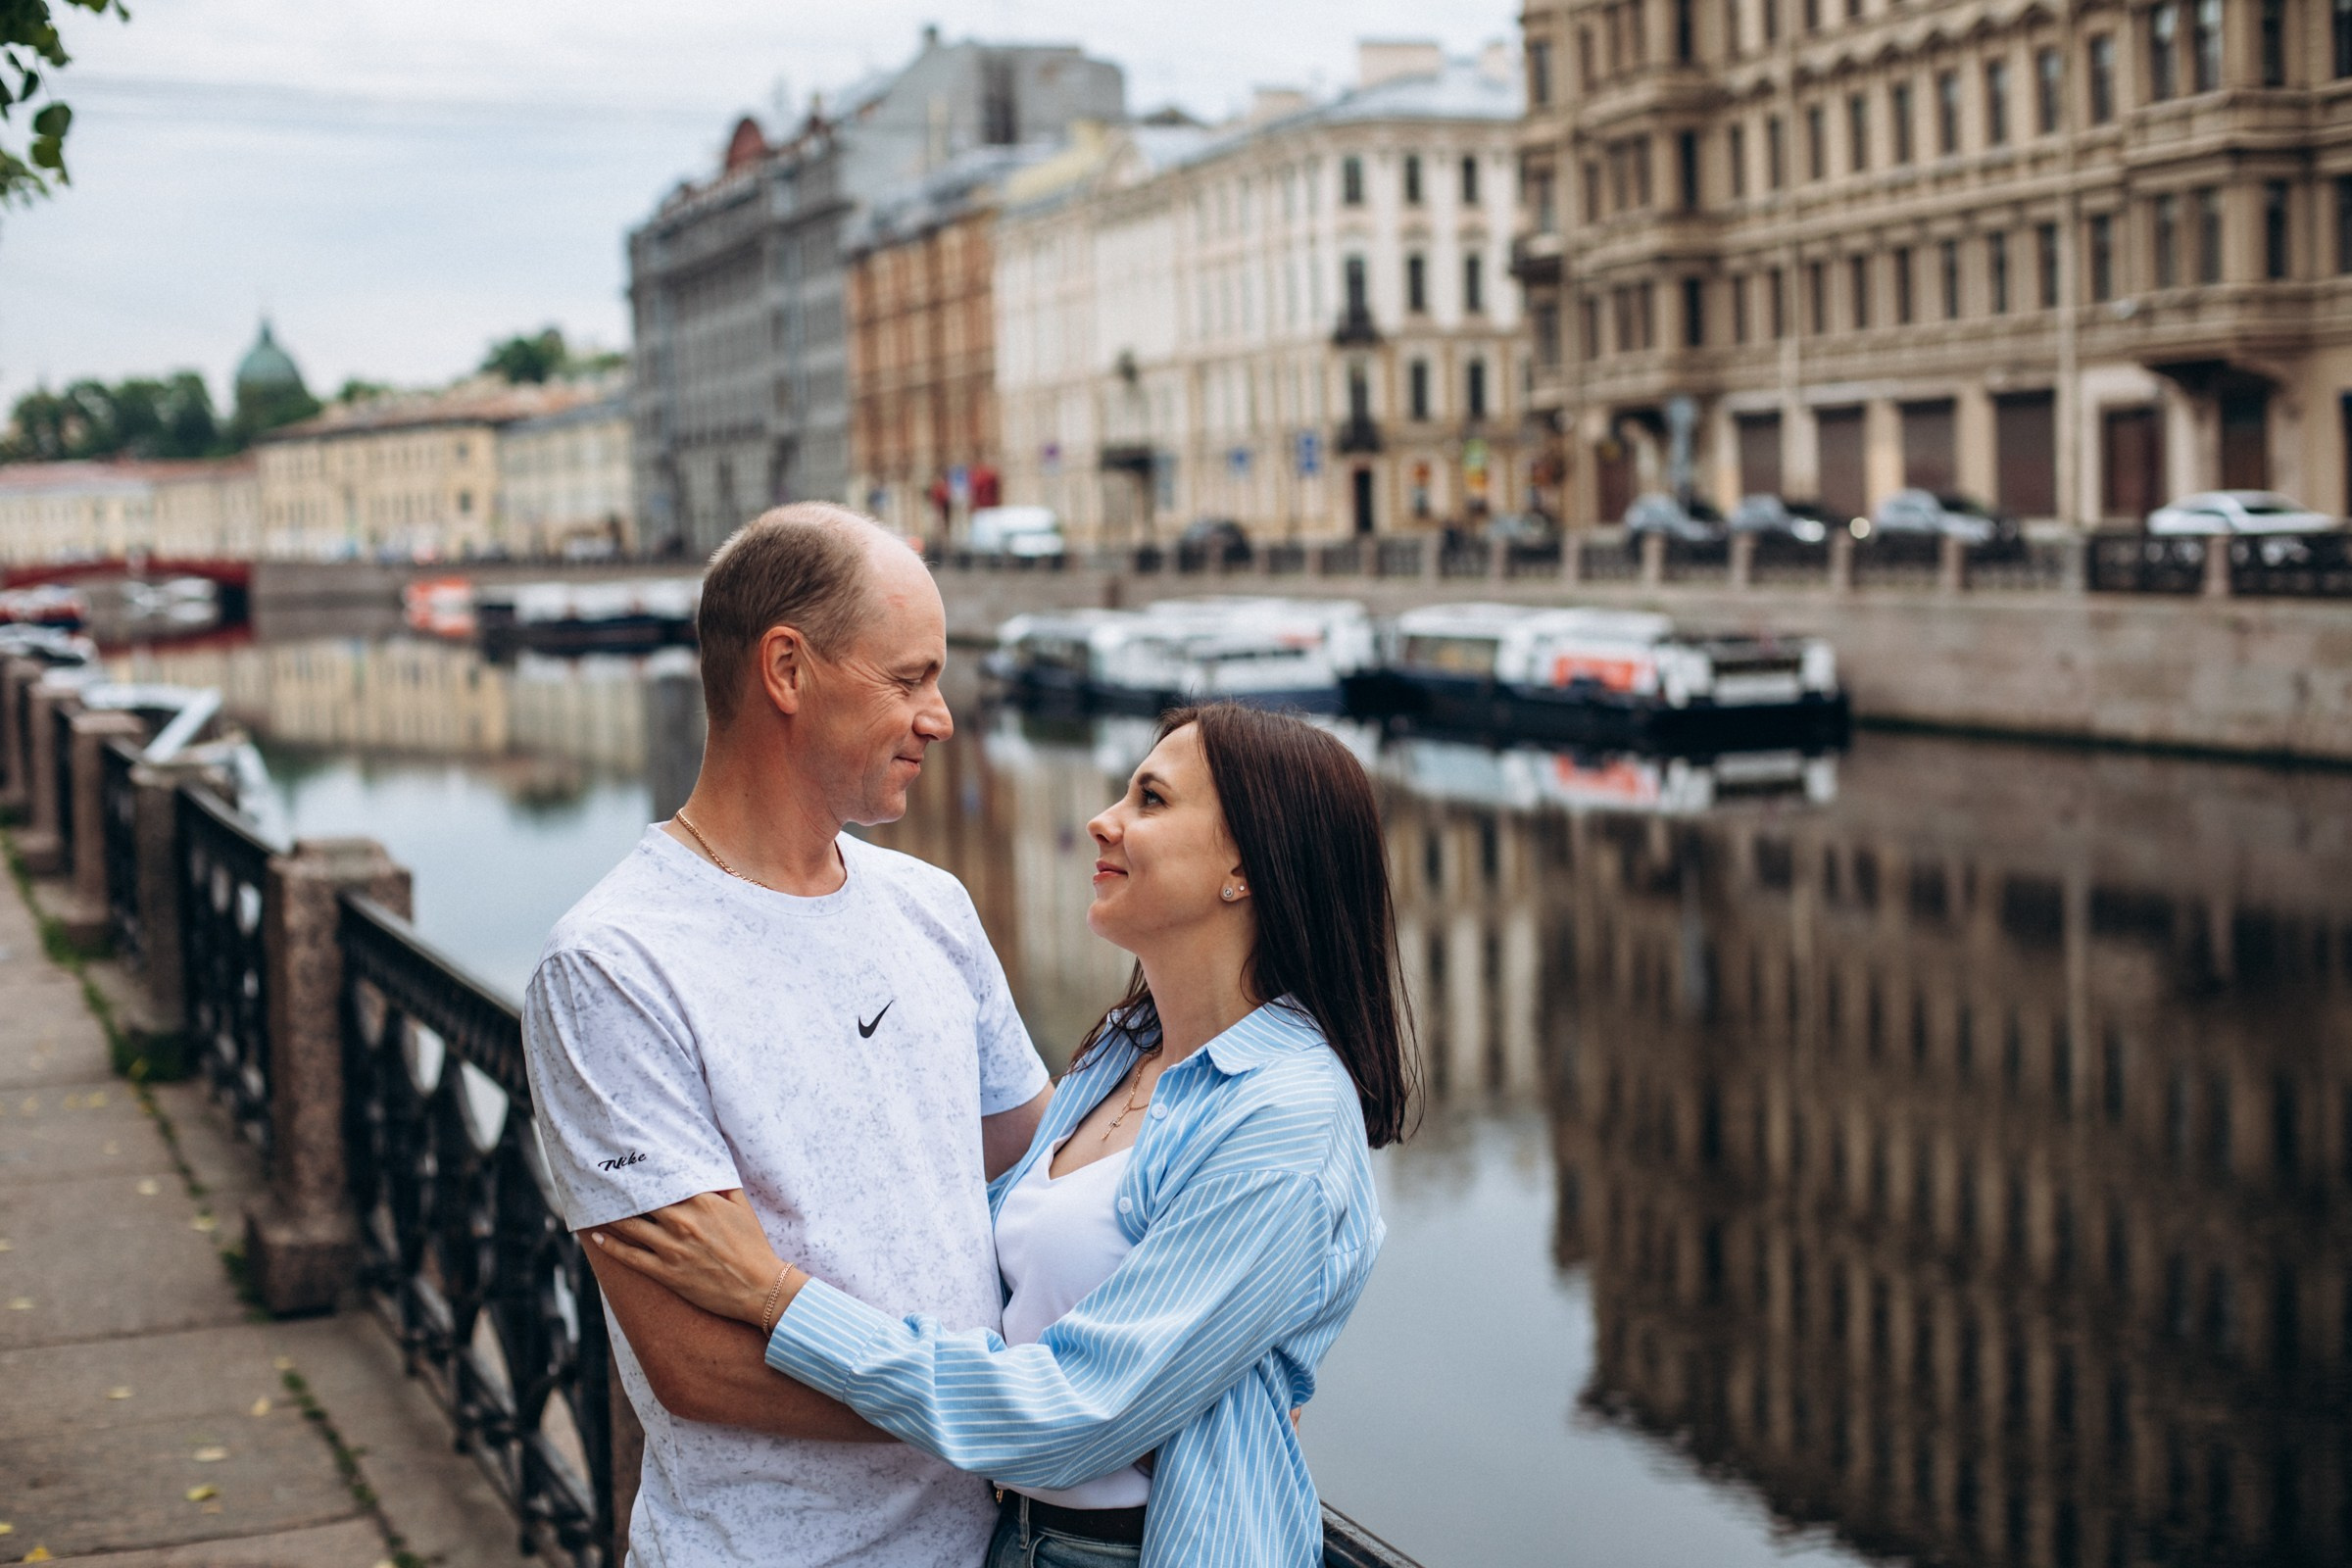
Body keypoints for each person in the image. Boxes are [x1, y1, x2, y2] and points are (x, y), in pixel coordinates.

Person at [590, 702, 1419, 1568]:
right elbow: (988, 1268)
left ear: (1246, 864)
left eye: (1151, 800)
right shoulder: (1122, 1052)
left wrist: (774, 1294)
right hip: (1011, 1535)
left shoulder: (1284, 1112)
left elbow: (1076, 1414)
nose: (1103, 818)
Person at [521, 503, 1054, 1567]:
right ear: (787, 670)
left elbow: (1041, 1175)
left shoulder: (933, 907)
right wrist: (1018, 1406)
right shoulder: (613, 966)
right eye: (909, 680)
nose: (940, 717)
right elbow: (698, 1362)